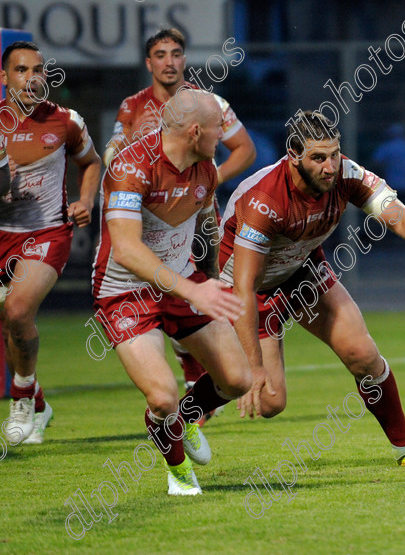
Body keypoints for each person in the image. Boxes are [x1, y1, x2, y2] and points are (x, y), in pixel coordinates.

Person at [221, 110, 405, 468]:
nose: (330, 166)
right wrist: (253, 367)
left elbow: (398, 213)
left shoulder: (347, 175)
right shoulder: (263, 200)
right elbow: (243, 287)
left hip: (301, 269)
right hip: (251, 288)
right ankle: (186, 408)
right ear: (293, 156)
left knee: (363, 353)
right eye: (318, 158)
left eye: (334, 154)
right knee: (269, 401)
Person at [92, 89, 252, 495]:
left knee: (237, 381)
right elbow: (127, 250)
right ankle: (178, 470)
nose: (224, 134)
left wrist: (212, 278)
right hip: (125, 291)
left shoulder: (205, 167)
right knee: (161, 397)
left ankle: (183, 419)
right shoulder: (130, 166)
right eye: (219, 126)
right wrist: (190, 290)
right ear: (196, 131)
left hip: (183, 281)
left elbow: (205, 225)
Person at [104, 27, 257, 408]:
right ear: (149, 62)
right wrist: (135, 183)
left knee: (236, 376)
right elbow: (113, 155)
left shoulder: (212, 106)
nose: (169, 61)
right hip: (137, 241)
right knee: (162, 391)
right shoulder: (132, 108)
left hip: (187, 224)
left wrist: (203, 182)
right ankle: (175, 418)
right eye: (161, 54)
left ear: (184, 60)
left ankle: (188, 407)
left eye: (176, 53)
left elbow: (245, 149)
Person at [0, 41, 101, 445]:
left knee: (19, 308)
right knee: (9, 323)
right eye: (21, 70)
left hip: (46, 234)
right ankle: (41, 403)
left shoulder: (66, 121)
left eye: (38, 70)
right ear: (4, 78)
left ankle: (21, 400)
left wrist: (86, 200)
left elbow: (91, 162)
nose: (31, 78)